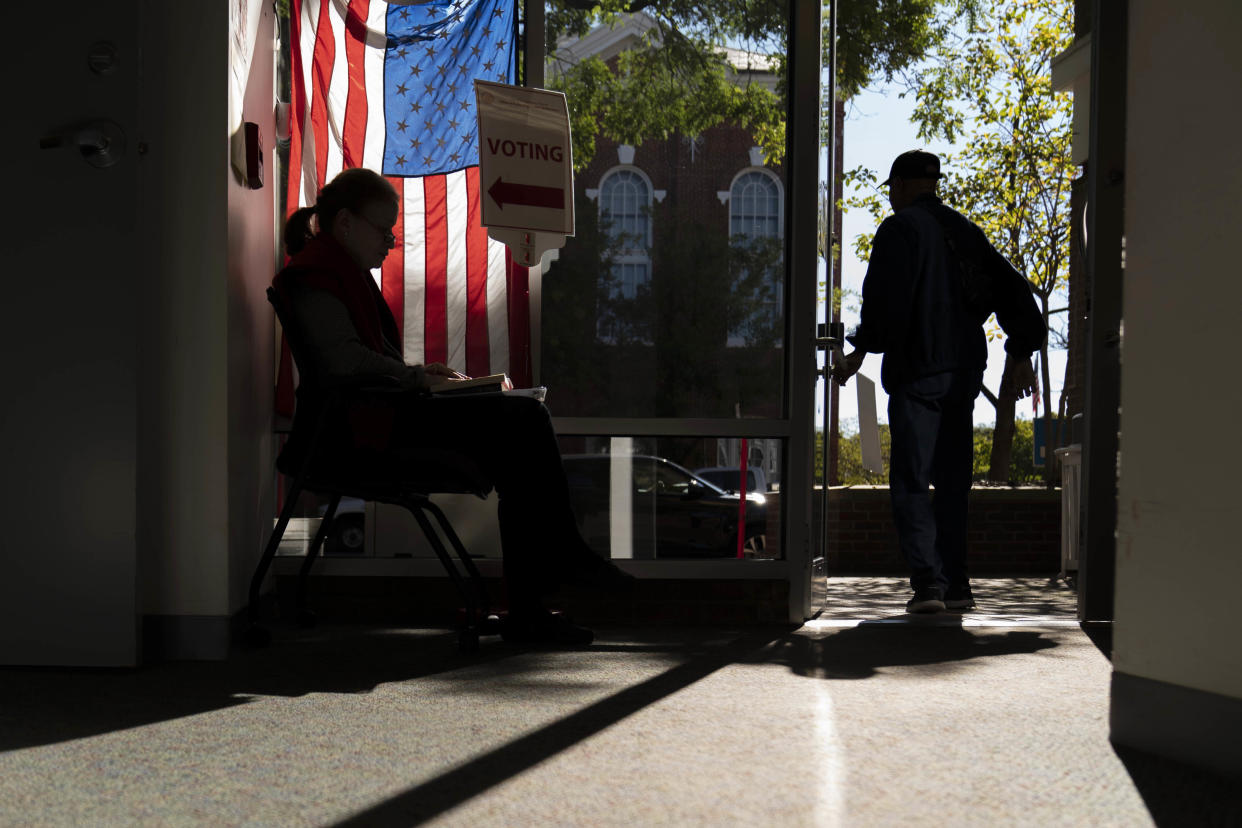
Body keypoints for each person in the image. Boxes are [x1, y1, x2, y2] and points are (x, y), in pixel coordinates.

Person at [273, 167, 632, 644]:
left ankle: (533, 603)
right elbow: (343, 362)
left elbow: (361, 363)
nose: (391, 241)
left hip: (374, 419)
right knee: (524, 420)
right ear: (344, 223)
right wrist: (416, 376)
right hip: (357, 435)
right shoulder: (315, 276)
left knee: (519, 436)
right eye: (383, 229)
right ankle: (555, 570)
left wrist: (420, 376)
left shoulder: (335, 274)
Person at [831, 150, 1045, 614]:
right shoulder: (964, 230)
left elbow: (883, 303)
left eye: (892, 188)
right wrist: (1021, 349)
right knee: (953, 483)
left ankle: (928, 585)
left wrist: (861, 351)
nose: (891, 196)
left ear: (903, 185)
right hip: (964, 373)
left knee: (911, 479)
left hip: (918, 371)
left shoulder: (899, 229)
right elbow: (1013, 289)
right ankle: (958, 585)